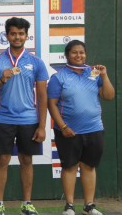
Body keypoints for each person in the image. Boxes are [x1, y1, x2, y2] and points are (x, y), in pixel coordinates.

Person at [0, 17, 48, 215]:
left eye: (21, 33)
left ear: (26, 36)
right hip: (3, 119)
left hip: (29, 120)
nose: (17, 37)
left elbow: (43, 95)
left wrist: (42, 126)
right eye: (13, 33)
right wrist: (1, 79)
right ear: (7, 35)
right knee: (2, 160)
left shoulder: (36, 62)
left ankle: (27, 203)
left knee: (27, 160)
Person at [47, 40, 114, 215]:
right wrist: (62, 127)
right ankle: (69, 206)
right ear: (67, 55)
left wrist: (104, 75)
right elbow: (52, 104)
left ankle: (89, 205)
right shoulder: (58, 77)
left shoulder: (94, 73)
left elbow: (109, 95)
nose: (79, 55)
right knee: (69, 167)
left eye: (82, 52)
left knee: (89, 166)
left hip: (94, 128)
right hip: (69, 131)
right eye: (75, 53)